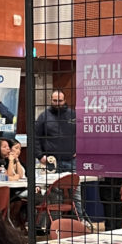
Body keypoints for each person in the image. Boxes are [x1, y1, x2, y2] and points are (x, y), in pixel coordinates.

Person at [34, 90, 86, 221]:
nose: (57, 103)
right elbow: (35, 138)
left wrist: (79, 149)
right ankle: (56, 225)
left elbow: (83, 134)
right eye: (55, 101)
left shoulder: (73, 116)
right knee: (55, 195)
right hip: (52, 163)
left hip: (71, 160)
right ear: (51, 100)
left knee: (76, 194)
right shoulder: (43, 117)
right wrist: (40, 156)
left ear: (65, 100)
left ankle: (80, 221)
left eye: (60, 101)